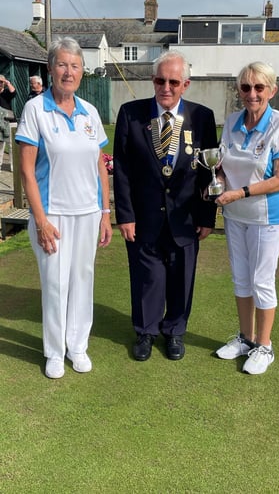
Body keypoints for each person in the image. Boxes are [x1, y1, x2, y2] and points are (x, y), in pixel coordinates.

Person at [15, 37, 112, 379]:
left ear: (82, 72)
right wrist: (40, 220)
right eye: (62, 65)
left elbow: (100, 164)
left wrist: (105, 212)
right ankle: (55, 352)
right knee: (56, 284)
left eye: (74, 66)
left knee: (83, 281)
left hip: (87, 213)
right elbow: (26, 169)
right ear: (50, 69)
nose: (68, 72)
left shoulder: (90, 112)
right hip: (52, 214)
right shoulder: (35, 109)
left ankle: (78, 346)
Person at [113, 51, 218, 362]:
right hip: (143, 216)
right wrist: (125, 216)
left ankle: (174, 331)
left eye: (174, 81)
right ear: (153, 80)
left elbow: (210, 171)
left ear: (185, 83)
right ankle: (145, 331)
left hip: (185, 217)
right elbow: (121, 169)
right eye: (161, 80)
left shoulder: (202, 117)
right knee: (147, 278)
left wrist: (207, 215)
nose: (166, 87)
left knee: (182, 277)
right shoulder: (131, 113)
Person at [213, 62, 279, 374]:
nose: (252, 93)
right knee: (240, 278)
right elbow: (221, 166)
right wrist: (220, 184)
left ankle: (265, 346)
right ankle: (246, 339)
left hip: (268, 215)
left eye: (259, 87)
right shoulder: (233, 120)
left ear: (272, 90)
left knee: (262, 280)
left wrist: (238, 193)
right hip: (235, 214)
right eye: (246, 87)